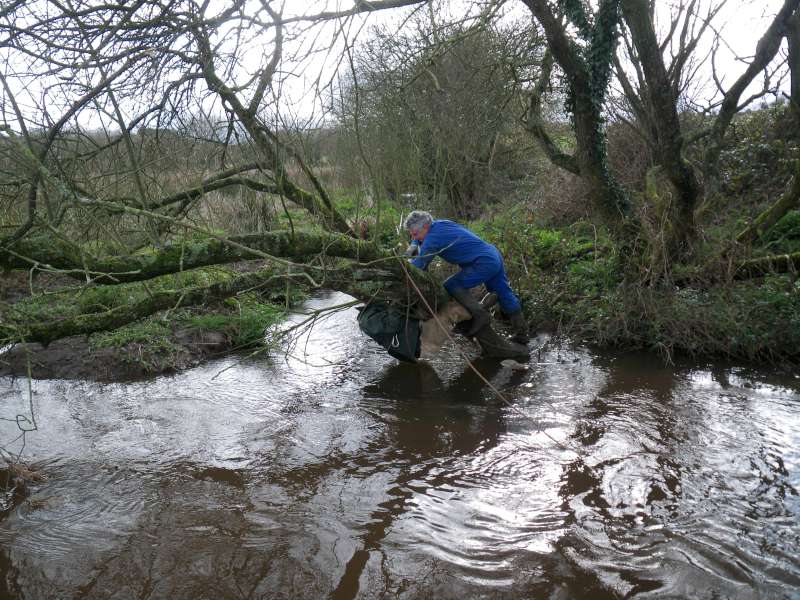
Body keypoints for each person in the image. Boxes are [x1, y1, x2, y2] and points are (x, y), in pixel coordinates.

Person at [403, 210, 528, 343]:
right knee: (504, 292)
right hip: (492, 255)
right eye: (411, 234)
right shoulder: (440, 224)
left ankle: (480, 315)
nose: (414, 237)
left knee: (452, 285)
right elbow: (420, 240)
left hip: (483, 262)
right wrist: (414, 244)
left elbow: (419, 265)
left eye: (415, 234)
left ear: (426, 226)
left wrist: (405, 263)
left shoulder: (433, 239)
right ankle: (522, 335)